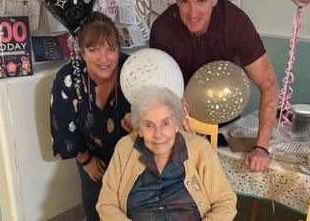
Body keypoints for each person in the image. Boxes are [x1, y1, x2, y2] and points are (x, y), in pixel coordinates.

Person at [149, 0, 279, 172]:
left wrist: (262, 148)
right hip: (179, 120)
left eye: (201, 1)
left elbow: (269, 85)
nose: (192, 13)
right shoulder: (162, 29)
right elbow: (159, 90)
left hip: (224, 116)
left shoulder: (236, 23)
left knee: (221, 185)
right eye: (184, 2)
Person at [97, 86, 237, 221]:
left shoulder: (199, 148)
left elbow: (225, 203)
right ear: (138, 128)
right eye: (148, 125)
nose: (158, 135)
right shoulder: (125, 148)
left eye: (165, 124)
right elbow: (106, 204)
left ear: (176, 124)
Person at [50, 12, 132, 220]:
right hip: (92, 157)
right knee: (96, 209)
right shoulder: (67, 79)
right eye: (94, 49)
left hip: (133, 156)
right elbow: (63, 127)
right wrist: (86, 161)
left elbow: (154, 111)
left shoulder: (133, 70)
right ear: (82, 51)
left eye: (111, 49)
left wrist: (140, 121)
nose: (104, 59)